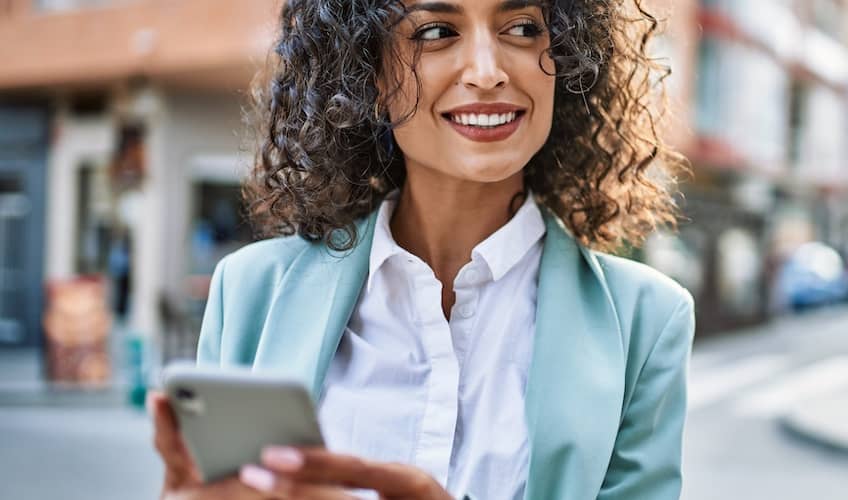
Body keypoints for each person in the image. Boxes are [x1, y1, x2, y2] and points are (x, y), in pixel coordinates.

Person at [148, 0, 693, 499]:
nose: (487, 71)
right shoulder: (250, 292)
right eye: (436, 32)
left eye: (523, 28)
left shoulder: (647, 323)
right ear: (371, 73)